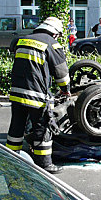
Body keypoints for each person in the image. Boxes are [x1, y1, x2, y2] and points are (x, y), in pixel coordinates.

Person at [6, 16, 71, 174]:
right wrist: (65, 88)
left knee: (16, 128)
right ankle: (45, 164)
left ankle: (9, 159)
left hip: (16, 93)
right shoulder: (51, 43)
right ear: (55, 33)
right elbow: (61, 72)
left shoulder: (23, 40)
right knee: (42, 129)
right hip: (36, 96)